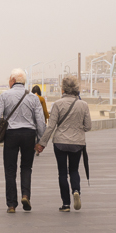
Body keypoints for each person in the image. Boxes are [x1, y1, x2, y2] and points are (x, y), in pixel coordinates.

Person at [0, 69, 45, 213]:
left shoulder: (4, 95)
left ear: (13, 80)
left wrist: (6, 121)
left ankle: (11, 205)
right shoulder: (33, 98)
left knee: (10, 170)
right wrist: (40, 141)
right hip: (29, 134)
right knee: (26, 168)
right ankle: (26, 196)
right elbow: (40, 122)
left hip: (11, 134)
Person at [36, 75, 91, 212]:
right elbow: (88, 126)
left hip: (60, 142)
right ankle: (76, 191)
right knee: (74, 170)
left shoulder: (57, 104)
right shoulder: (83, 105)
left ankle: (66, 204)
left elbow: (51, 126)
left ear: (63, 89)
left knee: (62, 173)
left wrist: (41, 143)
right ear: (76, 89)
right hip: (77, 142)